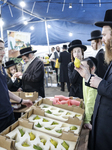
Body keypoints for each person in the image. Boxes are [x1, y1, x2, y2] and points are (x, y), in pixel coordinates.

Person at [75, 9, 112, 150]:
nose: (102, 39)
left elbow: (105, 85)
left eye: (104, 35)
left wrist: (100, 84)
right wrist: (88, 76)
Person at [0, 39, 33, 133]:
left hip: (9, 113)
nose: (3, 52)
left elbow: (6, 90)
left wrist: (22, 101)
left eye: (3, 49)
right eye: (0, 49)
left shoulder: (1, 68)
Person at [81, 57, 97, 130]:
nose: (82, 70)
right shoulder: (84, 79)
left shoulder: (94, 82)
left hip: (93, 115)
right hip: (88, 112)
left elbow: (91, 102)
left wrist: (87, 120)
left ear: (92, 68)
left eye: (84, 67)